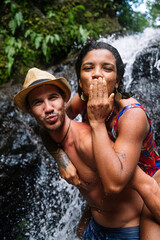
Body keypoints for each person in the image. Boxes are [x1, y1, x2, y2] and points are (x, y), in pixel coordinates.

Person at [14, 65, 160, 239]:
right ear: (31, 112)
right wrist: (61, 161)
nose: (48, 108)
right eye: (38, 102)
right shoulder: (51, 135)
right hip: (95, 228)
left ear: (64, 101)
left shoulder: (89, 142)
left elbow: (148, 186)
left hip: (127, 231)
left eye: (53, 98)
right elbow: (44, 132)